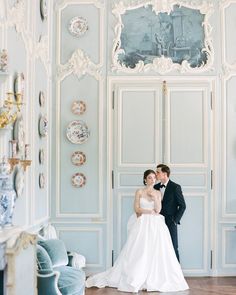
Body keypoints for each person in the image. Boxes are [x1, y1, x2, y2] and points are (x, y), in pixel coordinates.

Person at [86, 169, 189, 293]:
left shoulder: (157, 192)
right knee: (140, 249)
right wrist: (147, 212)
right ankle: (136, 276)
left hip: (156, 224)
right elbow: (136, 209)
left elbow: (158, 210)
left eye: (153, 177)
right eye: (150, 177)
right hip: (142, 222)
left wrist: (155, 199)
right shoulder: (139, 191)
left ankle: (157, 277)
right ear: (145, 179)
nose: (152, 179)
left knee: (159, 249)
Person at [154, 164, 186, 261]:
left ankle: (177, 273)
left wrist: (175, 221)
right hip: (157, 221)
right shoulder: (155, 187)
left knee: (173, 246)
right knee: (158, 246)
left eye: (158, 172)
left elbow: (183, 206)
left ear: (165, 174)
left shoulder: (175, 187)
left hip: (170, 221)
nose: (156, 174)